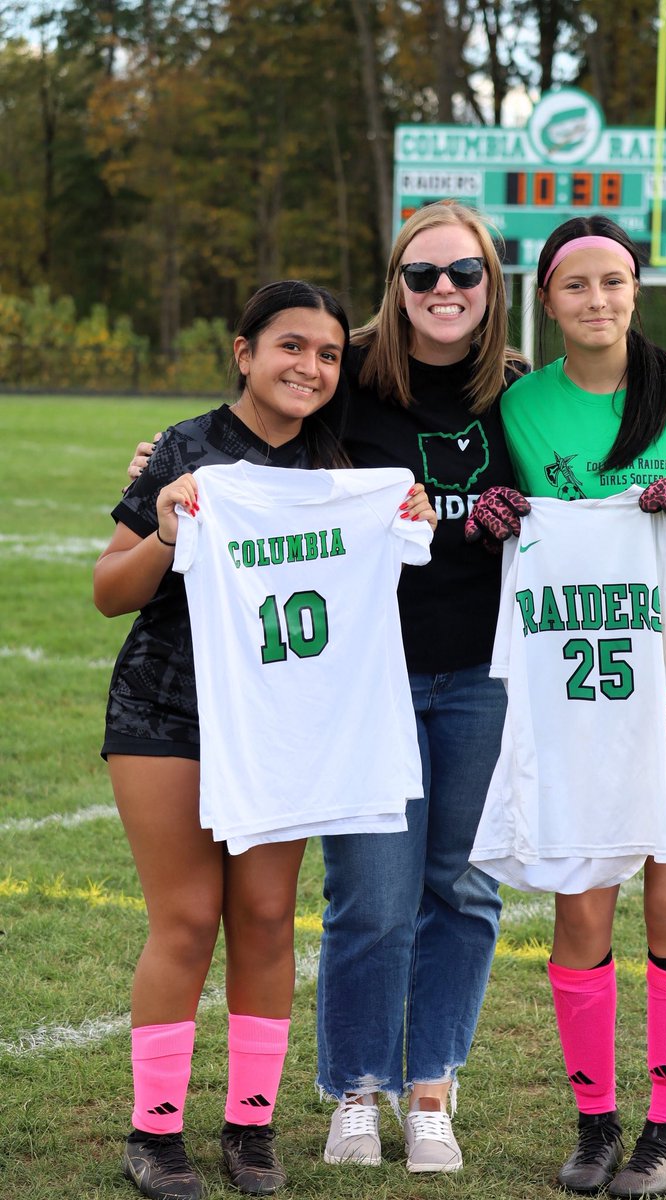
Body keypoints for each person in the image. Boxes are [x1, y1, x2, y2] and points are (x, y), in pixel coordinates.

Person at [125, 200, 529, 1175]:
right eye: (422, 274)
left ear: (491, 287)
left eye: (463, 274)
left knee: (464, 890)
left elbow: (599, 449)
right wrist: (170, 475)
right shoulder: (348, 382)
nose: (443, 290)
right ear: (395, 285)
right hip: (360, 678)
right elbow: (259, 421)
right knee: (372, 897)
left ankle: (431, 1084)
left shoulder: (523, 393)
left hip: (484, 670)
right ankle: (356, 1084)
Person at [95, 278, 436, 1200]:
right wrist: (166, 527)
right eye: (290, 346)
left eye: (328, 354)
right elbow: (108, 590)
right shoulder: (186, 449)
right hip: (168, 713)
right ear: (244, 352)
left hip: (287, 722)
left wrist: (403, 516)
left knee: (263, 919)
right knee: (188, 917)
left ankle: (251, 1128)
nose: (311, 367)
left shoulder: (344, 461)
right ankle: (155, 1135)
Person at [465, 214, 666, 1198]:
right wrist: (496, 515)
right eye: (577, 284)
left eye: (615, 281)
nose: (598, 298)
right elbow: (500, 521)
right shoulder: (520, 408)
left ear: (637, 290)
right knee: (581, 899)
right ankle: (595, 1124)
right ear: (545, 300)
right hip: (576, 678)